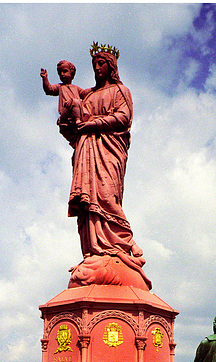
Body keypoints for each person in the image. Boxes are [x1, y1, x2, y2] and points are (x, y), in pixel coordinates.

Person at [68, 46, 145, 269]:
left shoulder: (120, 91)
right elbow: (75, 121)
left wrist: (92, 124)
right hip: (86, 150)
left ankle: (124, 243)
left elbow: (123, 118)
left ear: (111, 66)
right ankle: (94, 250)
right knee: (88, 199)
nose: (97, 69)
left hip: (109, 149)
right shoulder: (88, 95)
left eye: (101, 64)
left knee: (106, 194)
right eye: (94, 65)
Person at [40, 60, 85, 147]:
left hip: (75, 110)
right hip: (66, 111)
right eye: (60, 73)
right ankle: (77, 120)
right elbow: (49, 89)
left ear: (71, 72)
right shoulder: (60, 87)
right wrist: (45, 78)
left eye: (64, 71)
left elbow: (86, 94)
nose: (62, 74)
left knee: (77, 102)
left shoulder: (76, 88)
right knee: (75, 102)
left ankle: (78, 120)